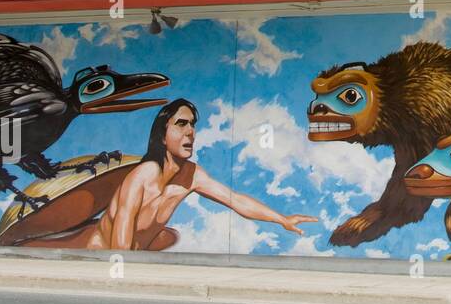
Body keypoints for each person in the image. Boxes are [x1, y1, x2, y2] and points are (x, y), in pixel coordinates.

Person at [27, 98, 315, 250]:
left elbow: (235, 200)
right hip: (97, 250)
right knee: (33, 249)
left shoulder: (191, 174)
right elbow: (123, 226)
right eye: (180, 124)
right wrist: (121, 269)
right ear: (162, 136)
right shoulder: (143, 174)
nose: (190, 131)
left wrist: (282, 220)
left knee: (169, 237)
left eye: (192, 125)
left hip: (132, 252)